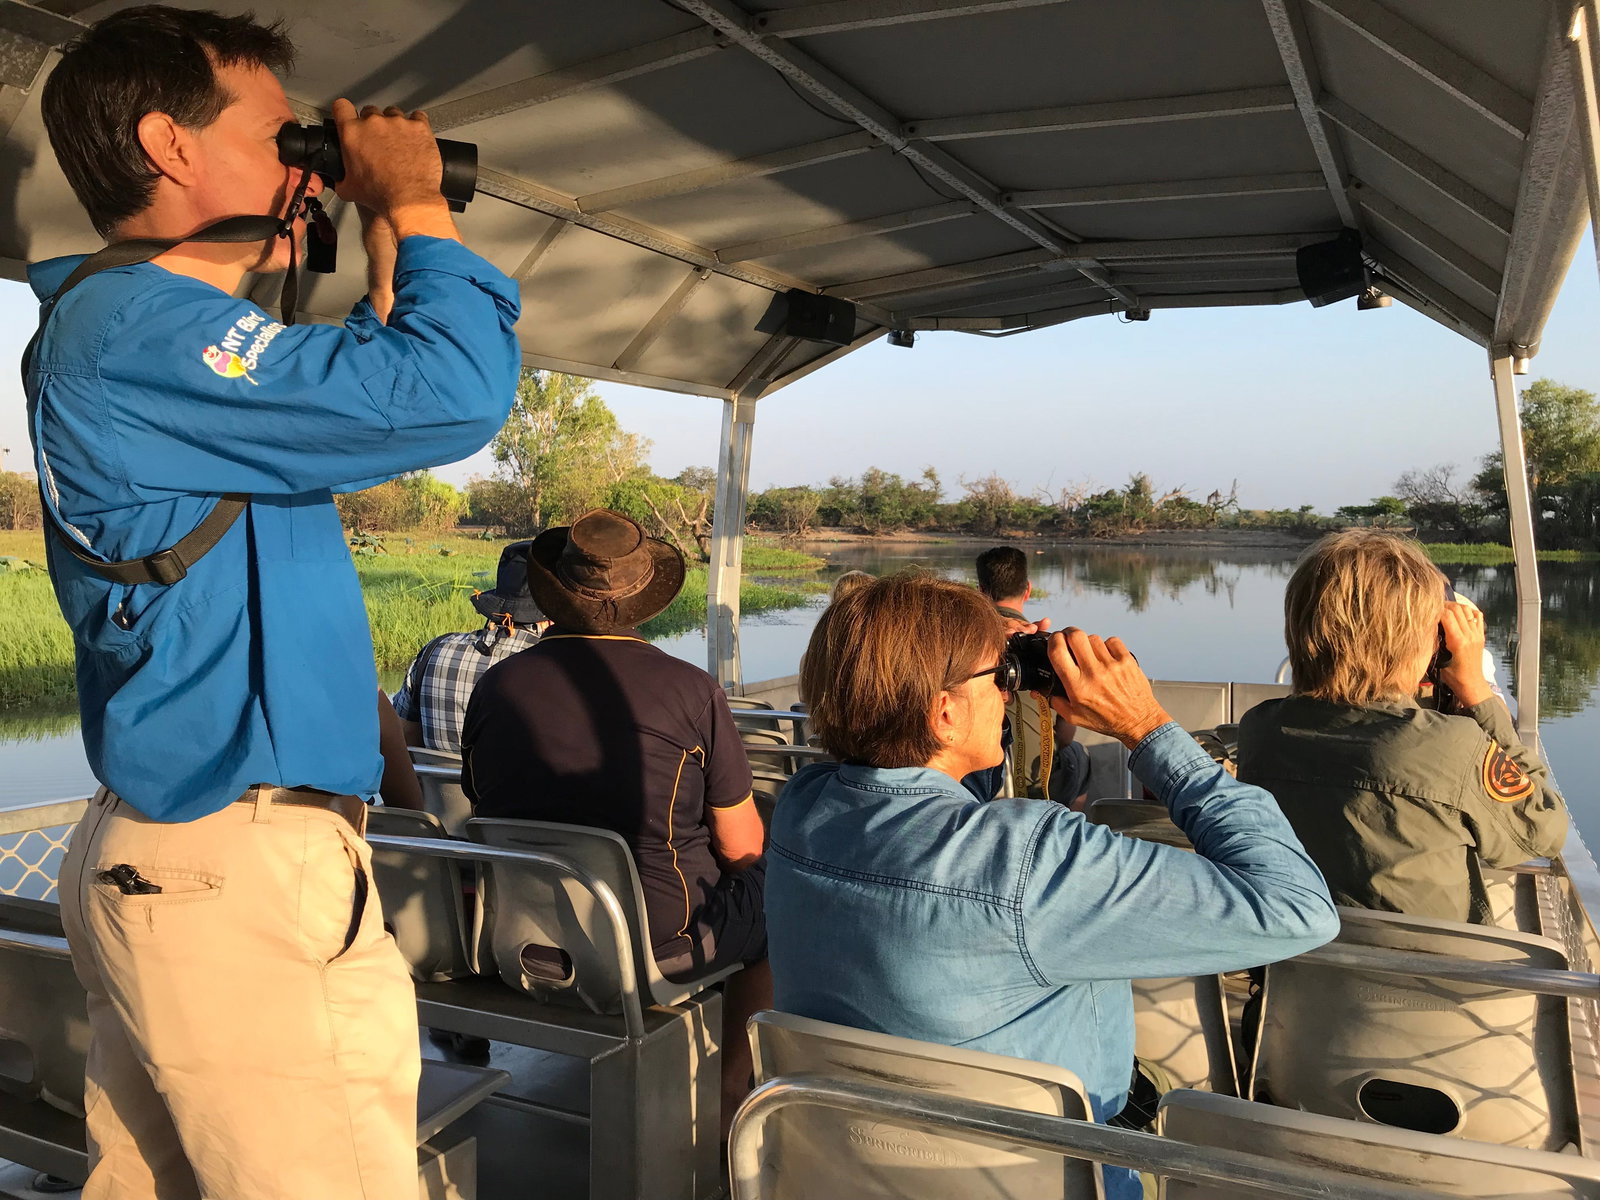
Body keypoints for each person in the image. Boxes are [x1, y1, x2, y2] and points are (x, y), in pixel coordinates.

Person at [28, 8, 521, 1197]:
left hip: (193, 859)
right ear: (171, 144)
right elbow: (445, 395)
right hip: (229, 867)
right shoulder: (141, 323)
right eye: (277, 137)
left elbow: (371, 392)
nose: (303, 160)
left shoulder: (153, 338)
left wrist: (377, 233)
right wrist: (414, 204)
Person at [765, 572, 1337, 1200]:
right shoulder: (1035, 861)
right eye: (1000, 679)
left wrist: (994, 665)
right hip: (1048, 1173)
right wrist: (1146, 727)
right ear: (946, 711)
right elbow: (1296, 908)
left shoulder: (803, 810)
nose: (1009, 693)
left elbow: (934, 802)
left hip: (859, 1170)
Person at [462, 508, 769, 1135]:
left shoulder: (497, 686)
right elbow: (742, 848)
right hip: (659, 945)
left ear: (558, 595)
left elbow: (479, 801)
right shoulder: (691, 690)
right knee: (774, 895)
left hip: (514, 937)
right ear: (643, 604)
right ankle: (732, 1091)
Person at [1236, 530, 1568, 924]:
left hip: (1301, 973)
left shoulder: (1261, 730)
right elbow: (1542, 832)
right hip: (1432, 978)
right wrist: (1476, 691)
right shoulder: (1452, 745)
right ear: (1421, 642)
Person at [393, 539, 549, 753]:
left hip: (437, 786)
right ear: (548, 616)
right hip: (506, 786)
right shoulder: (553, 667)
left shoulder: (434, 651)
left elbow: (405, 738)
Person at [975, 545, 1090, 804]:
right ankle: (1068, 827)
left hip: (976, 776)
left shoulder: (963, 644)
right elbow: (1064, 737)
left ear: (980, 591)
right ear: (1028, 589)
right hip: (1038, 780)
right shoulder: (1048, 649)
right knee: (1079, 755)